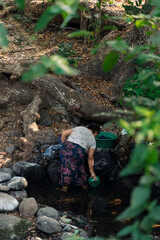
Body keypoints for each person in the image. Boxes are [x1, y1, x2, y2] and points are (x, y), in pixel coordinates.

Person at [59, 123, 101, 192]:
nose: (96, 136)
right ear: (96, 132)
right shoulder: (93, 140)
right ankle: (84, 186)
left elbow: (63, 133)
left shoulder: (80, 128)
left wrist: (63, 146)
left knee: (65, 166)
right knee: (80, 167)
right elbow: (90, 157)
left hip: (67, 147)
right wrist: (92, 172)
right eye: (97, 135)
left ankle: (64, 188)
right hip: (78, 151)